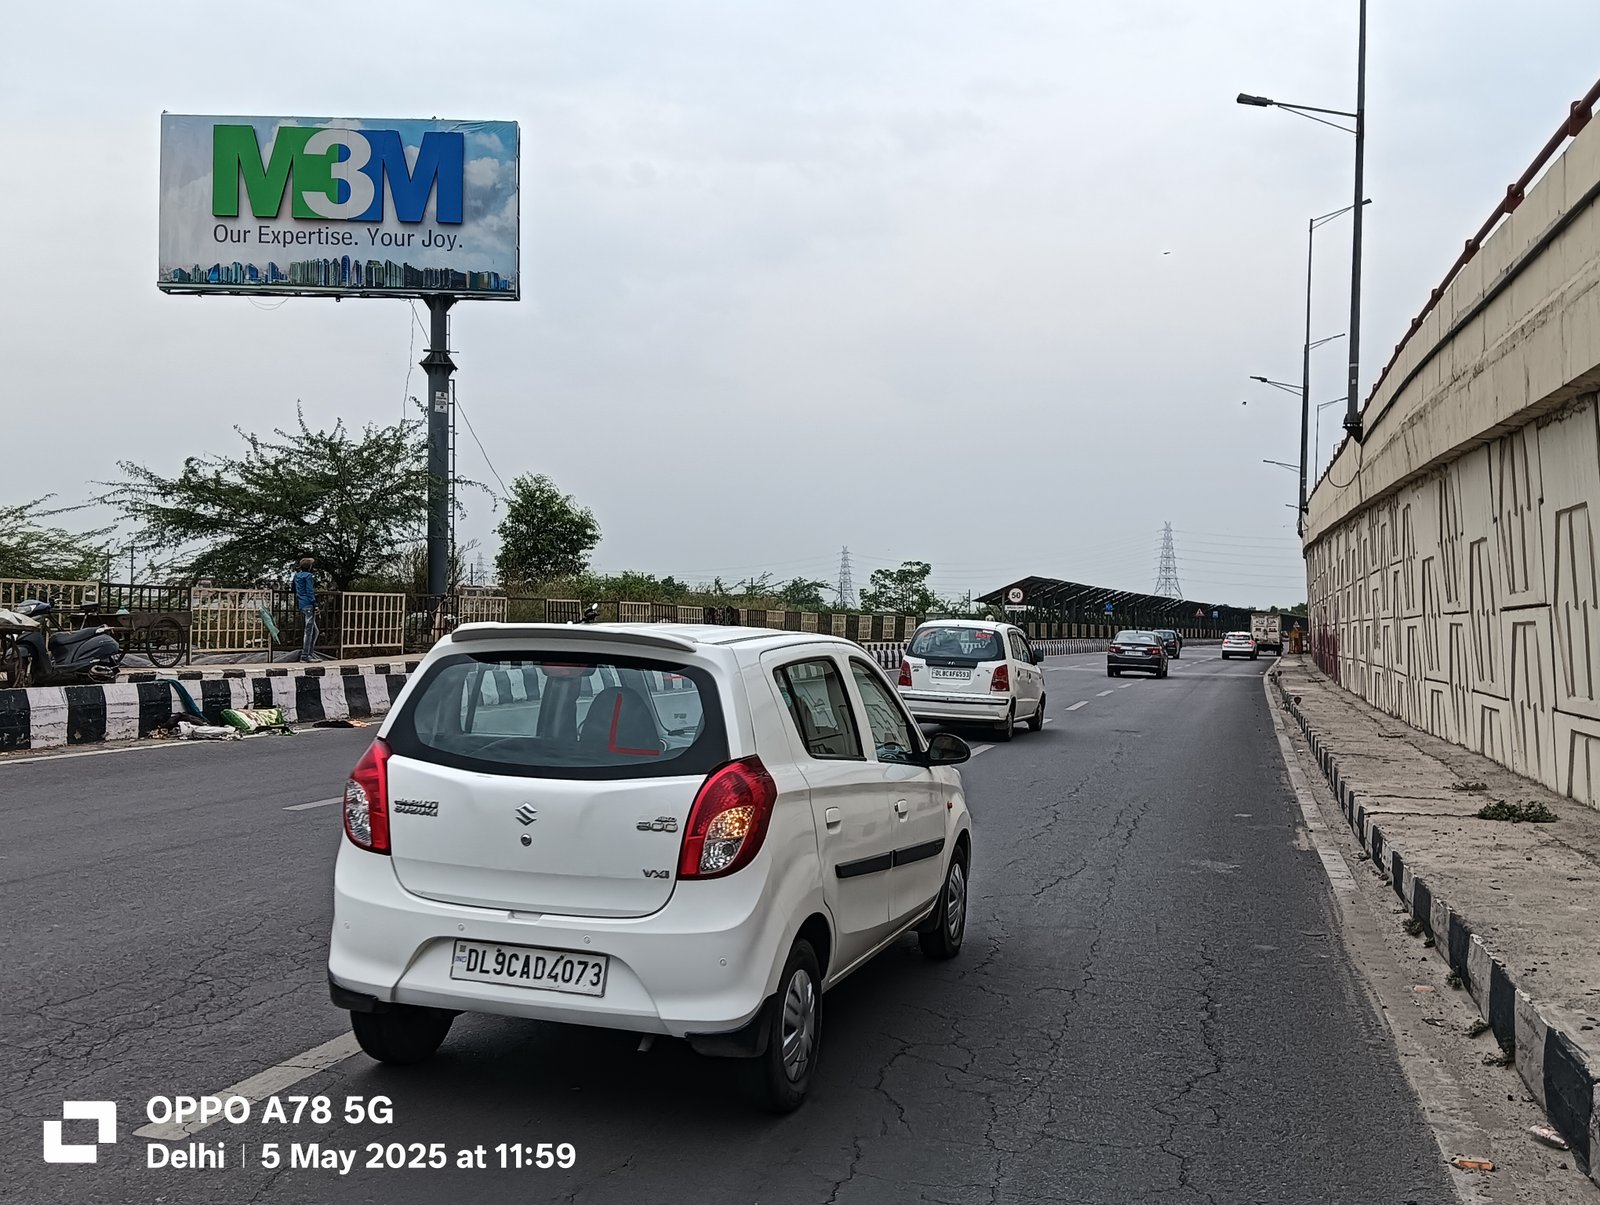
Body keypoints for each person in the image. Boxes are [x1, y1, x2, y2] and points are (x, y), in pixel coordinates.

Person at [292, 557, 319, 661]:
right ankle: (305, 655)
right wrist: (315, 604)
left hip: (301, 603)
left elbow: (293, 588)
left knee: (314, 631)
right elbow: (310, 591)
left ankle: (310, 653)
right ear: (310, 567)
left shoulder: (297, 576)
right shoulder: (308, 576)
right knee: (309, 631)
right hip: (308, 604)